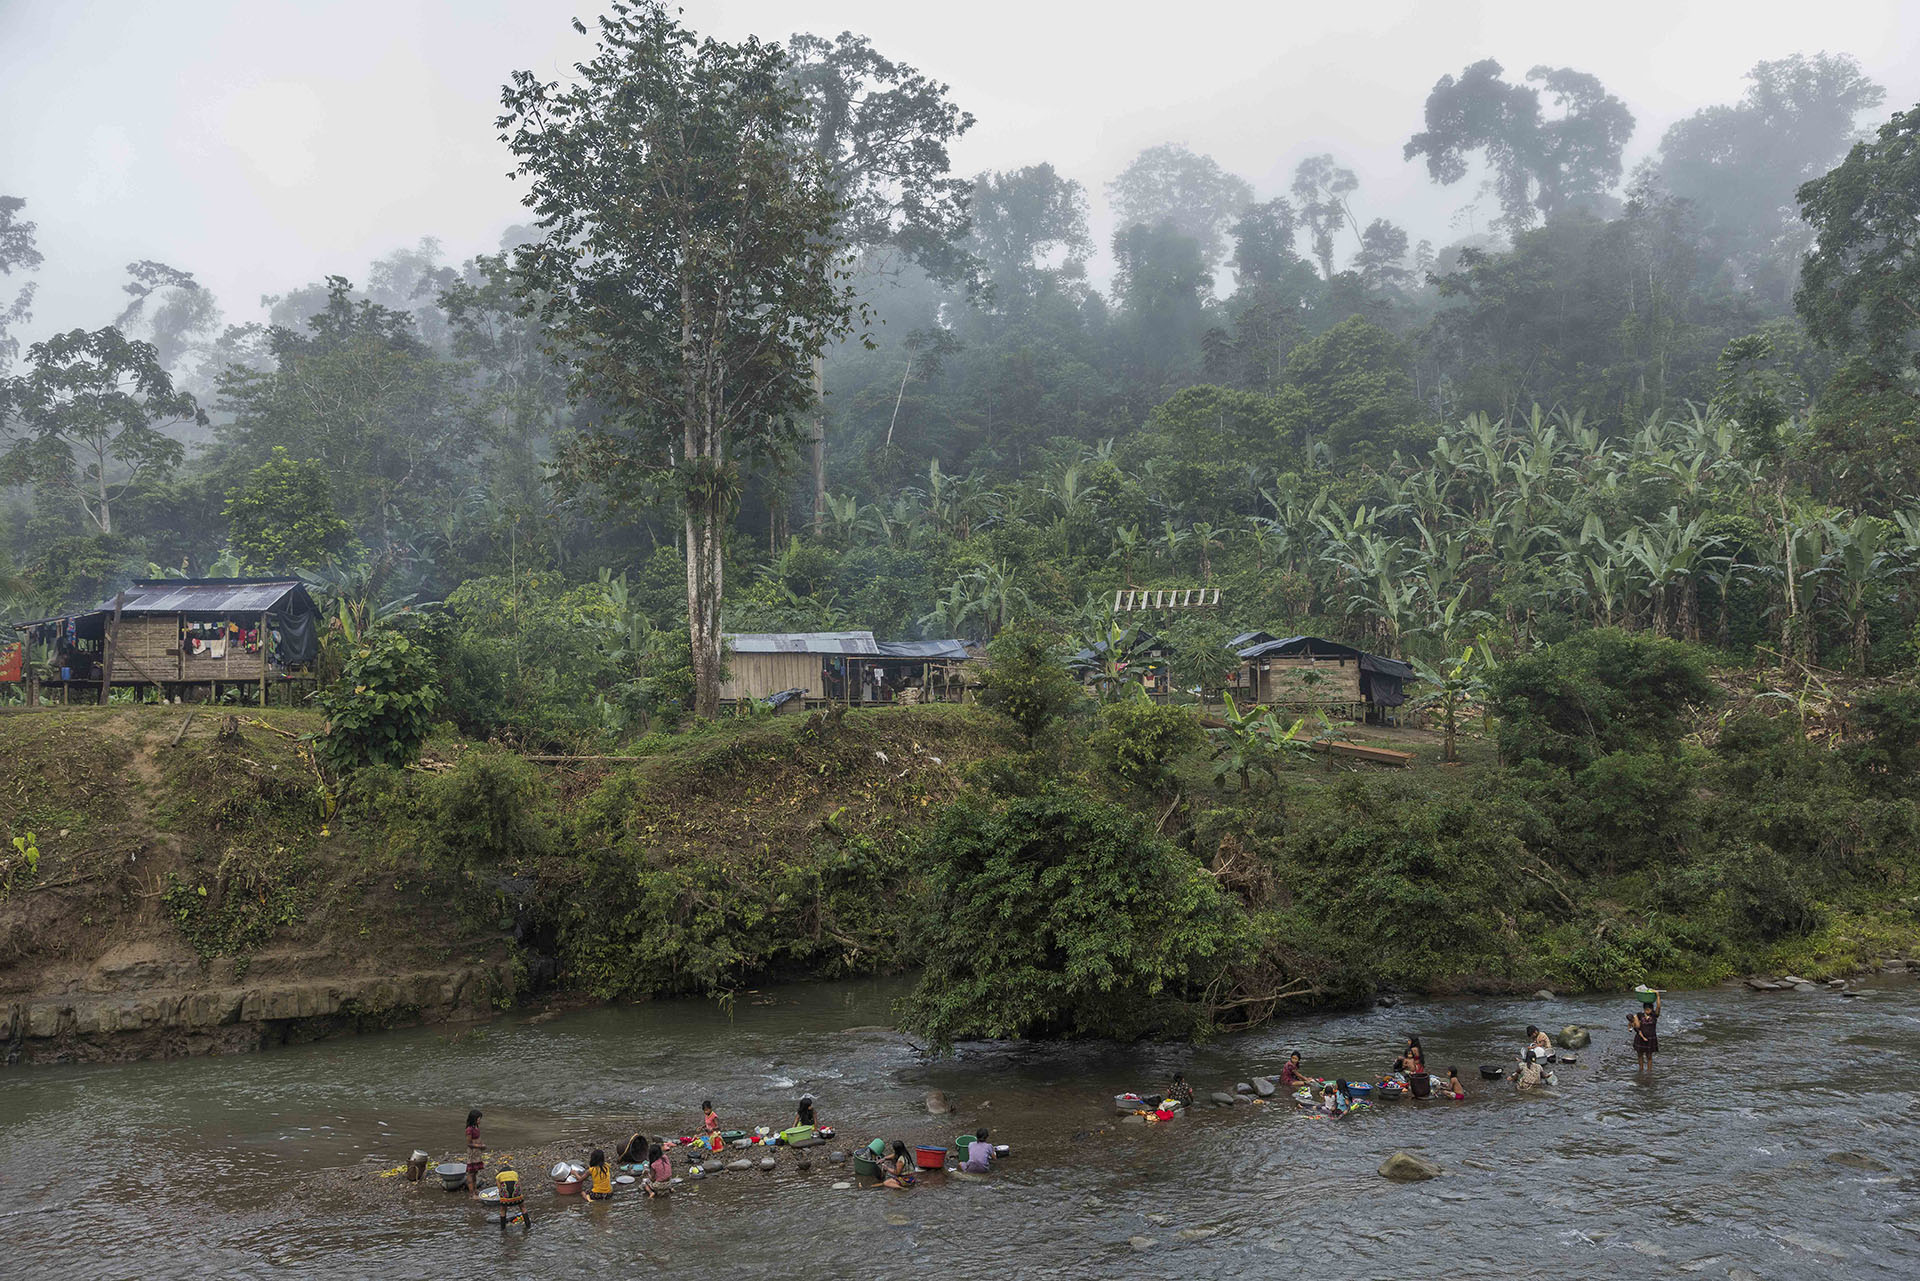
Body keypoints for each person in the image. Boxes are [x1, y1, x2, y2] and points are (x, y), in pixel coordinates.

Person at [1631, 991, 1661, 1071]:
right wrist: (1633, 1022)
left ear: (1652, 1009)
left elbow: (1658, 1007)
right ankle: (1641, 1070)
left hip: (1651, 1038)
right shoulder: (1639, 1015)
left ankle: (1649, 1071)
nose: (1648, 1010)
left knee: (1649, 1056)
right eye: (1646, 1009)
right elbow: (1636, 1025)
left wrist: (1658, 995)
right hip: (1640, 1038)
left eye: (1649, 1009)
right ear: (1644, 1009)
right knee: (1640, 1055)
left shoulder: (1654, 1016)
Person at [464, 1109, 487, 1197]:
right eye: (478, 1119)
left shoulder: (476, 1128)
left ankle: (475, 1189)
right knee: (471, 1172)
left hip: (477, 1153)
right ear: (474, 1119)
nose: (479, 1120)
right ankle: (471, 1193)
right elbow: (469, 1143)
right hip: (473, 1153)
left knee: (475, 1172)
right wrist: (480, 1146)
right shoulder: (469, 1130)